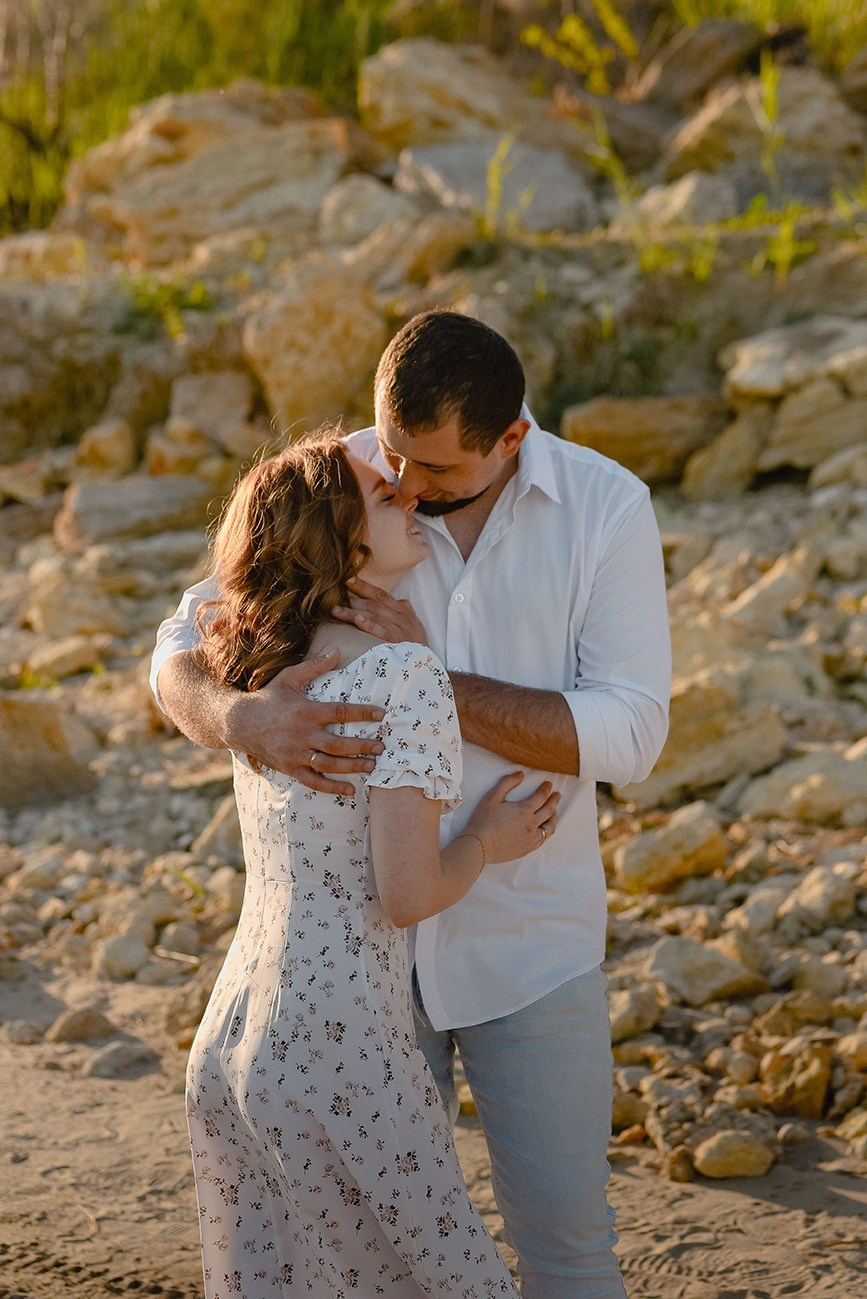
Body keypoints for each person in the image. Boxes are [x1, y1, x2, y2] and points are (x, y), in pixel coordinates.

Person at [152, 311, 672, 1299]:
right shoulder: (351, 484)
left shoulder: (607, 508)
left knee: (567, 1250)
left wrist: (431, 677)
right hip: (355, 994)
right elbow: (186, 628)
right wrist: (236, 717)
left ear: (511, 438)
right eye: (390, 454)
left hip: (528, 947)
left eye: (431, 471)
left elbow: (634, 735)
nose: (405, 485)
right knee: (360, 1273)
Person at [183, 431, 561, 1298]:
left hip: (232, 1036)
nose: (410, 497)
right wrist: (487, 841)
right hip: (341, 1044)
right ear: (337, 538)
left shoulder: (261, 667)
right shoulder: (404, 673)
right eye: (382, 495)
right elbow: (406, 893)